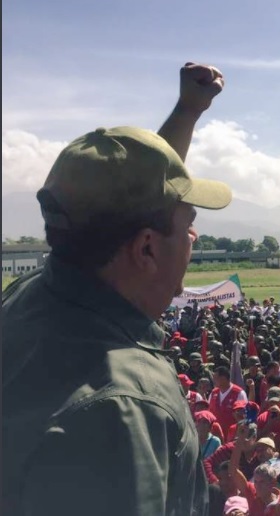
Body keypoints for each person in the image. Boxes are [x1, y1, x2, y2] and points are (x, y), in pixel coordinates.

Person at [2, 62, 232, 515]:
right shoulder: (119, 413)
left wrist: (187, 113)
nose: (194, 237)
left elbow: (133, 195)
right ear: (146, 249)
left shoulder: (32, 295)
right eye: (190, 224)